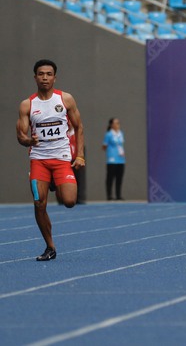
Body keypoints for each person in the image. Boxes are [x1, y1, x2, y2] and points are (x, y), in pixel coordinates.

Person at [16, 59, 85, 261]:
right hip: (39, 160)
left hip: (62, 158)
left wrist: (79, 154)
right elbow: (20, 136)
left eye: (48, 74)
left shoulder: (65, 99)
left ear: (54, 77)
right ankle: (50, 246)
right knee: (39, 203)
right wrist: (28, 139)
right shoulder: (27, 104)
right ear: (35, 77)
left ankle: (56, 182)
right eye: (40, 74)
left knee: (70, 201)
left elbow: (79, 127)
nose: (44, 77)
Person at [102, 117, 125, 200]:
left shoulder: (121, 133)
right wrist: (110, 152)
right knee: (110, 178)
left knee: (119, 178)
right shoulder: (109, 134)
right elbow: (104, 146)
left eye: (118, 123)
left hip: (120, 159)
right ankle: (109, 195)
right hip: (112, 160)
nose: (118, 125)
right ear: (112, 125)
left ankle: (118, 195)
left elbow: (120, 145)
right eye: (116, 123)